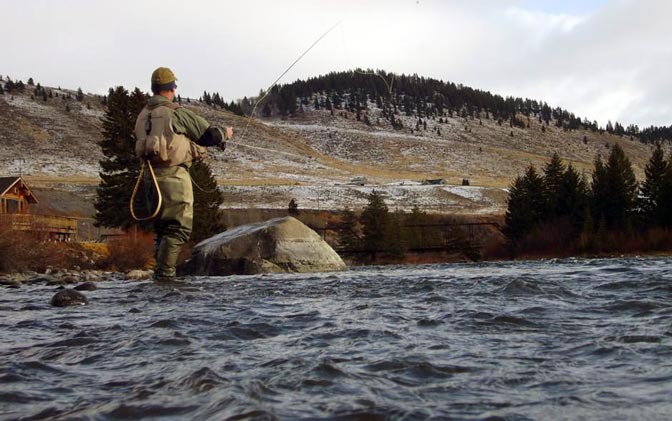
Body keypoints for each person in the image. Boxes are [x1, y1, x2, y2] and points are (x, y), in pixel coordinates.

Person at [134, 67, 233, 282]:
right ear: (171, 88)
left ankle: (160, 278)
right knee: (177, 230)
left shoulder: (143, 115)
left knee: (162, 230)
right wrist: (225, 134)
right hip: (173, 179)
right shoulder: (175, 112)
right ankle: (165, 278)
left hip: (150, 179)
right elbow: (208, 136)